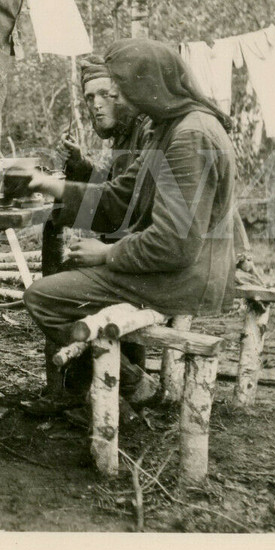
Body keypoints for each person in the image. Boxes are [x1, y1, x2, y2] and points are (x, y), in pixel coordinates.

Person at [22, 38, 238, 415]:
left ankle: (132, 384)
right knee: (65, 283)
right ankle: (124, 385)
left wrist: (107, 253)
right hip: (180, 266)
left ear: (150, 84)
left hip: (183, 274)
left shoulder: (189, 137)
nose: (116, 100)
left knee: (44, 298)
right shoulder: (169, 129)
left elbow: (175, 244)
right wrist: (48, 184)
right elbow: (118, 199)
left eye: (120, 91)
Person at [28, 54, 152, 415]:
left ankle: (125, 385)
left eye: (106, 95)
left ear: (125, 94)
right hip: (129, 254)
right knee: (63, 274)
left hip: (139, 261)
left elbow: (132, 209)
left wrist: (105, 250)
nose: (97, 106)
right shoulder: (125, 136)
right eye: (89, 99)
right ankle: (90, 387)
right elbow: (114, 190)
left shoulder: (146, 134)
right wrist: (82, 164)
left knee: (52, 290)